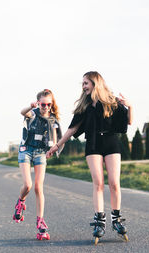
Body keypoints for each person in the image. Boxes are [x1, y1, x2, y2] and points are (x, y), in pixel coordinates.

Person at [46, 71, 133, 243]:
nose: (84, 86)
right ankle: (99, 221)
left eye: (86, 83)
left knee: (114, 183)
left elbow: (128, 122)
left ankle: (116, 219)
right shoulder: (84, 107)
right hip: (93, 144)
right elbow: (72, 129)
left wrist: (130, 106)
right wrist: (57, 145)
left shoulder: (112, 102)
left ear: (95, 82)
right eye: (83, 83)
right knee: (98, 183)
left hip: (111, 142)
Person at [13, 89, 62, 240]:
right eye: (43, 104)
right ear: (38, 102)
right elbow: (23, 112)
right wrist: (30, 106)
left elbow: (55, 138)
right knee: (27, 184)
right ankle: (20, 202)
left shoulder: (53, 120)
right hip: (26, 150)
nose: (45, 107)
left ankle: (40, 222)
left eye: (48, 104)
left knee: (38, 187)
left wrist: (52, 149)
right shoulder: (33, 112)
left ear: (51, 104)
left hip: (41, 152)